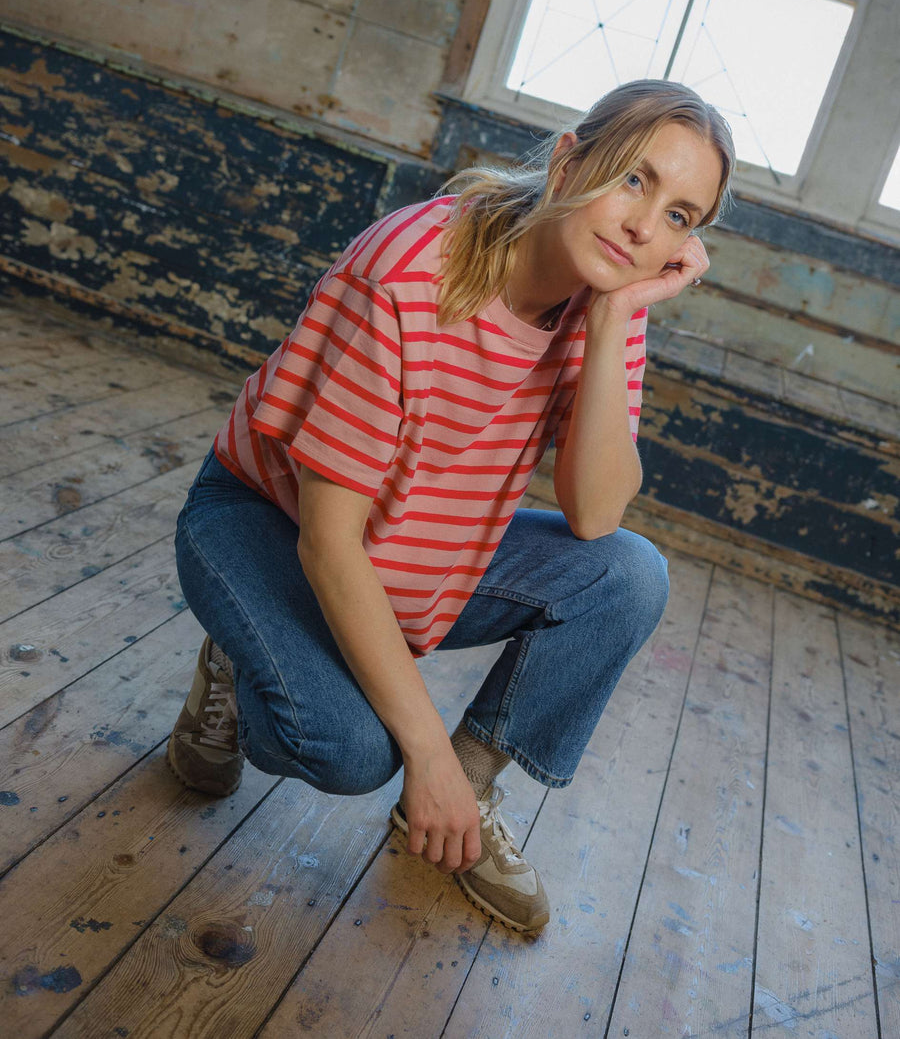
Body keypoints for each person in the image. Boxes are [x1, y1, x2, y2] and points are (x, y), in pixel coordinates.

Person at [167, 80, 735, 934]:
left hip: (417, 543)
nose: (645, 226)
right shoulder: (411, 270)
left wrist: (617, 313)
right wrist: (419, 750)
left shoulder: (607, 284)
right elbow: (328, 543)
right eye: (634, 180)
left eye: (682, 216)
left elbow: (595, 517)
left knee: (627, 576)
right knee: (355, 751)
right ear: (570, 159)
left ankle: (466, 792)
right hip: (263, 524)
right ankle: (241, 656)